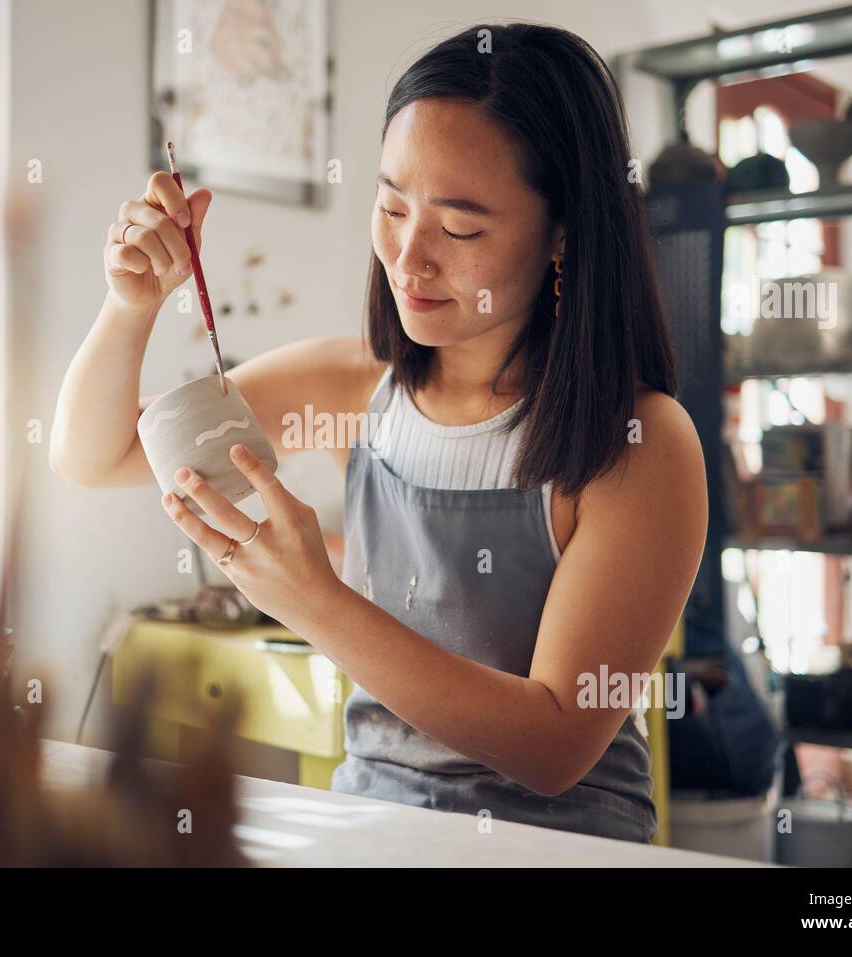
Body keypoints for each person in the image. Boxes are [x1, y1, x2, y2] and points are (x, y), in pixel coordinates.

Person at [50, 22, 707, 843]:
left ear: (564, 232)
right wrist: (132, 305)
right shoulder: (352, 387)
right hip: (373, 829)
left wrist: (314, 601)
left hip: (561, 846)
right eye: (391, 205)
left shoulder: (640, 442)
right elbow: (94, 452)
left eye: (460, 228)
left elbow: (555, 742)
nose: (408, 257)